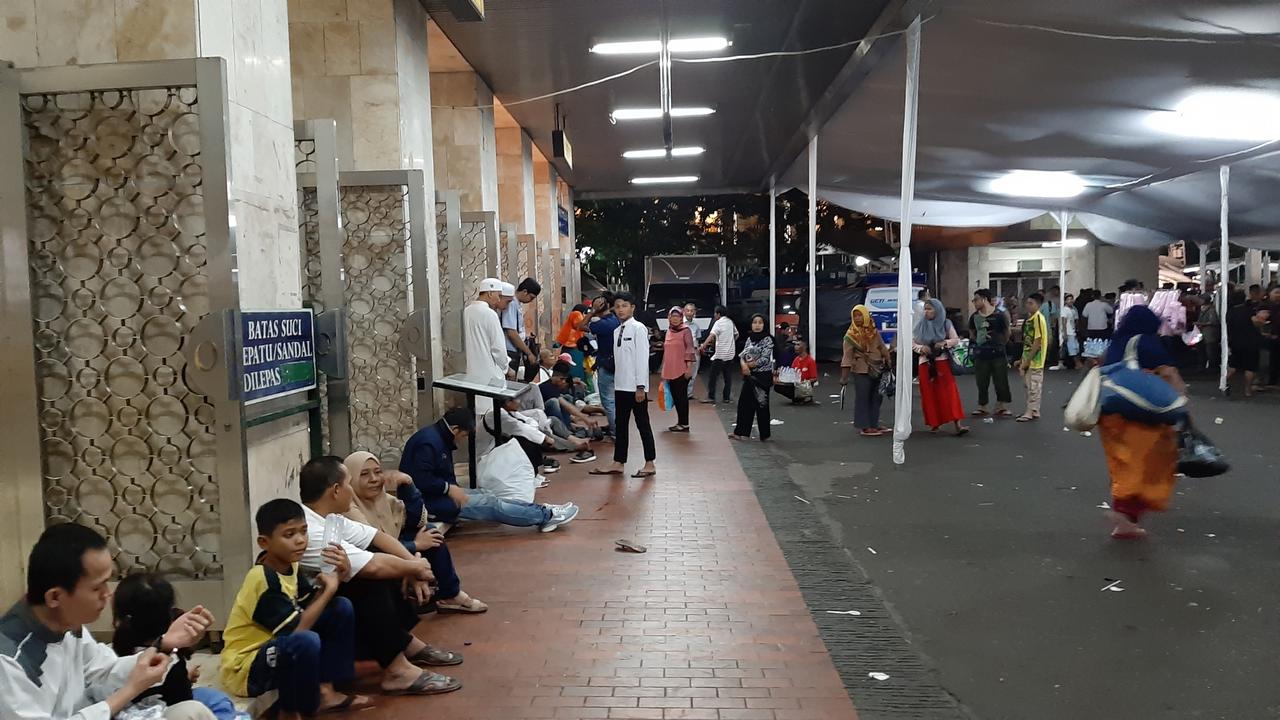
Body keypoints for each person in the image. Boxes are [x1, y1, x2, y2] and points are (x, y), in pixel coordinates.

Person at [0, 523, 216, 720]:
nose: (108, 594)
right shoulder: (9, 660)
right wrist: (128, 692)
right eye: (97, 587)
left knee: (192, 712)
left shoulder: (68, 624)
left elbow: (101, 674)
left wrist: (164, 644)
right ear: (55, 597)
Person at [297, 457, 464, 696]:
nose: (352, 489)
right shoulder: (311, 530)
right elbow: (373, 567)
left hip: (327, 599)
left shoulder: (330, 518)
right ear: (336, 490)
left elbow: (376, 537)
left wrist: (413, 564)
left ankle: (404, 643)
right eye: (350, 483)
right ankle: (397, 671)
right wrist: (415, 568)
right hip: (308, 610)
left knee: (382, 559)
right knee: (366, 579)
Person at [220, 499, 371, 717]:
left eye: (304, 531)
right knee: (306, 641)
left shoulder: (290, 564)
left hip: (276, 647)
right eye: (289, 535)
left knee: (340, 607)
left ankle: (327, 691)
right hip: (246, 667)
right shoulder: (262, 579)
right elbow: (298, 630)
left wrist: (338, 575)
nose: (300, 540)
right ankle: (291, 713)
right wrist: (329, 590)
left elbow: (310, 604)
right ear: (264, 542)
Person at [343, 452, 487, 613]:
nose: (374, 479)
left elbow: (417, 520)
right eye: (364, 474)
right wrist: (415, 547)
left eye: (378, 472)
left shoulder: (383, 499)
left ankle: (449, 594)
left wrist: (408, 485)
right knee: (420, 542)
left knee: (430, 532)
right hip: (369, 566)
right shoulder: (348, 508)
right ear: (350, 480)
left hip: (394, 556)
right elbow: (373, 548)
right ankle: (411, 598)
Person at [400, 408, 580, 531]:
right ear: (455, 429)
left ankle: (541, 510)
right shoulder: (428, 442)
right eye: (463, 434)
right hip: (428, 503)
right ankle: (546, 516)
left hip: (440, 495)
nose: (463, 439)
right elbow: (420, 479)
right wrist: (449, 489)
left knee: (489, 495)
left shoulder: (438, 437)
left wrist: (450, 489)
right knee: (492, 505)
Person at [1096, 306, 1186, 539]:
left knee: (1123, 463)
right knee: (1148, 462)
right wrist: (1181, 402)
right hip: (1140, 411)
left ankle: (1125, 519)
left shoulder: (1118, 342)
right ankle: (1126, 514)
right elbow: (1168, 373)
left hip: (1110, 413)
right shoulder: (1146, 342)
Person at [113, 575, 238, 720]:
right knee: (218, 700)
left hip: (128, 707)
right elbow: (181, 699)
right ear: (168, 616)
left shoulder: (117, 649)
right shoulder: (169, 656)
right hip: (167, 710)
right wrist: (184, 680)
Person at [590, 292, 656, 478]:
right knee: (621, 425)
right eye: (617, 306)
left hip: (636, 388)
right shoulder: (616, 331)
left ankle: (650, 463)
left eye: (624, 305)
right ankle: (618, 462)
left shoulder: (638, 328)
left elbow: (642, 360)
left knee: (643, 424)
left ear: (632, 308)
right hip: (620, 386)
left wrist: (641, 387)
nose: (620, 309)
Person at [913, 298, 969, 436]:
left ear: (937, 310)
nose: (927, 312)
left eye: (930, 309)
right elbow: (912, 343)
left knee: (949, 392)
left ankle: (958, 423)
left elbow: (955, 340)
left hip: (942, 362)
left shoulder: (946, 323)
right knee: (929, 394)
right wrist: (921, 348)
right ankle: (934, 423)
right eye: (925, 309)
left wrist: (944, 343)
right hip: (926, 363)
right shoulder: (920, 325)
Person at [841, 305, 890, 436]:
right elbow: (847, 356)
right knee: (863, 398)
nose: (857, 318)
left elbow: (882, 347)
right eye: (855, 316)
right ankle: (864, 426)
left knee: (877, 397)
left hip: (878, 368)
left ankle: (874, 423)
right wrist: (844, 377)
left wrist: (888, 361)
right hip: (861, 370)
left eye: (860, 315)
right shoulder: (850, 335)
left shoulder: (873, 330)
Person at [729, 314, 775, 441]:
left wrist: (749, 366)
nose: (757, 325)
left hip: (762, 378)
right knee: (744, 404)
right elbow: (742, 355)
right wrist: (744, 365)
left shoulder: (768, 339)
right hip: (749, 376)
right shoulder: (750, 339)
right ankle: (741, 432)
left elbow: (765, 359)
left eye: (760, 322)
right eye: (755, 322)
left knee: (761, 405)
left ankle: (764, 435)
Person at [968, 289, 1013, 418]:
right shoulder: (974, 317)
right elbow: (972, 333)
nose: (974, 302)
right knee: (981, 381)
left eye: (976, 299)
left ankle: (1002, 406)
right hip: (981, 353)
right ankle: (982, 406)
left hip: (998, 352)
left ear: (984, 299)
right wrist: (979, 341)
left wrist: (999, 343)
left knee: (1001, 380)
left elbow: (1007, 333)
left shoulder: (999, 315)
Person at [466, 278, 517, 384]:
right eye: (498, 295)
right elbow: (498, 348)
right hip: (490, 375)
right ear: (490, 293)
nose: (499, 300)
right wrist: (507, 368)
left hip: (471, 374)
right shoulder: (489, 314)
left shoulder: (467, 311)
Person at [586, 294, 620, 438]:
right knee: (616, 400)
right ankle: (616, 427)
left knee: (608, 400)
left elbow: (580, 326)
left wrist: (592, 312)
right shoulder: (615, 320)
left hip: (606, 365)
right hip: (618, 364)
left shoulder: (600, 324)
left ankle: (615, 432)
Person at [661, 306, 697, 432]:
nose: (675, 319)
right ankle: (680, 422)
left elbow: (689, 349)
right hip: (670, 370)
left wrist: (689, 368)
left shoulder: (685, 330)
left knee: (681, 397)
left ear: (681, 317)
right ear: (669, 317)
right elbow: (666, 352)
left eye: (677, 316)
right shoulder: (669, 331)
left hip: (682, 370)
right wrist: (663, 369)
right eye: (672, 316)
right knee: (676, 397)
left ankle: (684, 423)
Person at [1225, 290, 1266, 397]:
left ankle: (1225, 383)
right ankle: (1247, 390)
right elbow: (1256, 322)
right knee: (1250, 367)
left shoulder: (1230, 312)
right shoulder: (1248, 310)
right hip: (1250, 342)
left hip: (1235, 342)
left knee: (1233, 366)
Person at [503, 278, 542, 382]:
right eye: (531, 297)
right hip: (509, 351)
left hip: (514, 350)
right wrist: (529, 353)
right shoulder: (511, 303)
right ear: (525, 291)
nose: (531, 300)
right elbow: (511, 332)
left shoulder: (517, 304)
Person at [1017, 293, 1048, 422]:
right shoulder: (1030, 319)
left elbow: (1037, 341)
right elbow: (1028, 342)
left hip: (1035, 360)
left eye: (1031, 303)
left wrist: (1027, 361)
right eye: (1027, 303)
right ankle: (1034, 410)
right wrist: (1022, 359)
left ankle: (1030, 411)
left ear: (1038, 305)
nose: (1028, 306)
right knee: (1030, 385)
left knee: (1033, 386)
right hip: (1028, 357)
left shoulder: (1038, 319)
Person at [700, 306, 739, 404]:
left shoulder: (718, 323)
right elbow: (736, 334)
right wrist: (731, 342)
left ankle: (711, 397)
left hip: (720, 354)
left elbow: (712, 335)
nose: (714, 315)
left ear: (718, 314)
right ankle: (726, 398)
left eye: (715, 313)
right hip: (730, 354)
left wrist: (703, 346)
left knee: (713, 377)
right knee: (727, 377)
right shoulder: (730, 322)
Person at [775, 340, 819, 404]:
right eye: (795, 345)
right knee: (778, 386)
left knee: (799, 386)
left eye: (798, 345)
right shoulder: (796, 360)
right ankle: (797, 397)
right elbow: (792, 373)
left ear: (804, 347)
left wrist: (804, 382)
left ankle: (805, 396)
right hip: (795, 383)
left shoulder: (810, 361)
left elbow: (814, 378)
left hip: (804, 385)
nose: (795, 347)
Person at [555, 303, 589, 381]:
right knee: (574, 371)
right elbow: (579, 325)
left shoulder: (572, 315)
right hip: (573, 347)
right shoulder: (576, 314)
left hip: (570, 346)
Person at [1081, 290, 1115, 367]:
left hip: (1091, 327)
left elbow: (1084, 315)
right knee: (1102, 344)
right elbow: (1111, 311)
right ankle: (1101, 359)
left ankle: (1093, 360)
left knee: (1092, 345)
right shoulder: (1103, 304)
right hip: (1102, 327)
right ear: (1100, 296)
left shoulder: (1088, 305)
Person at [683, 302, 703, 399]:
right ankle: (681, 393)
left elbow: (698, 339)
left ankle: (689, 394)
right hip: (683, 352)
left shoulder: (696, 326)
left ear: (695, 312)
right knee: (683, 372)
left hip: (694, 352)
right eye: (688, 310)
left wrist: (698, 349)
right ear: (684, 312)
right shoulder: (680, 324)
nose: (690, 313)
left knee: (693, 373)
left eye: (692, 311)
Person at [1060, 292, 1080, 369]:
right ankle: (1077, 363)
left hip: (1073, 331)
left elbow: (1076, 320)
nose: (1070, 301)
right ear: (1065, 301)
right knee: (1072, 348)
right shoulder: (1065, 310)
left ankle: (1064, 362)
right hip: (1068, 331)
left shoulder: (1074, 309)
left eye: (1071, 299)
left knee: (1075, 347)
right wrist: (1064, 333)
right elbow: (1064, 322)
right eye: (1068, 299)